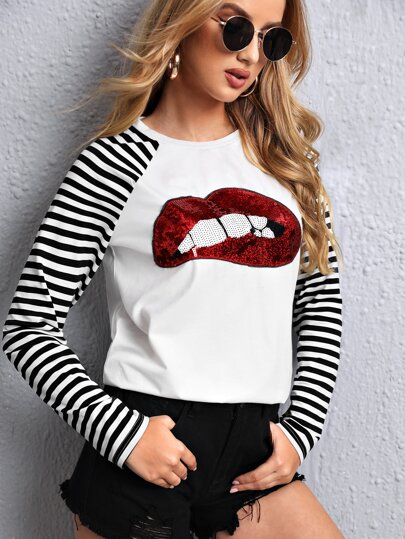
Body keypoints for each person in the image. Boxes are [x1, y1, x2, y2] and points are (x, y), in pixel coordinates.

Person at [2, 0, 345, 538]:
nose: (252, 55)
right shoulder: (112, 164)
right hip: (142, 450)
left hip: (253, 454)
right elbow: (28, 326)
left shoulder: (289, 168)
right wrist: (125, 436)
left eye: (271, 39)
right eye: (236, 28)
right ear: (183, 20)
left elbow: (321, 306)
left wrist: (301, 431)